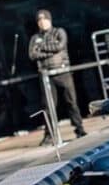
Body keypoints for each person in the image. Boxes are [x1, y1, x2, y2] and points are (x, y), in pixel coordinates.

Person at [28, 9, 85, 142]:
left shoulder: (59, 31)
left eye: (45, 19)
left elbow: (60, 46)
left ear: (50, 20)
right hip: (46, 75)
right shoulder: (35, 38)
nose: (42, 22)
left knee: (71, 102)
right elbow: (32, 55)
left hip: (63, 71)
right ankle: (49, 136)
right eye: (39, 20)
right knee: (48, 107)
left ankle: (80, 129)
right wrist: (49, 51)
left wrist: (41, 47)